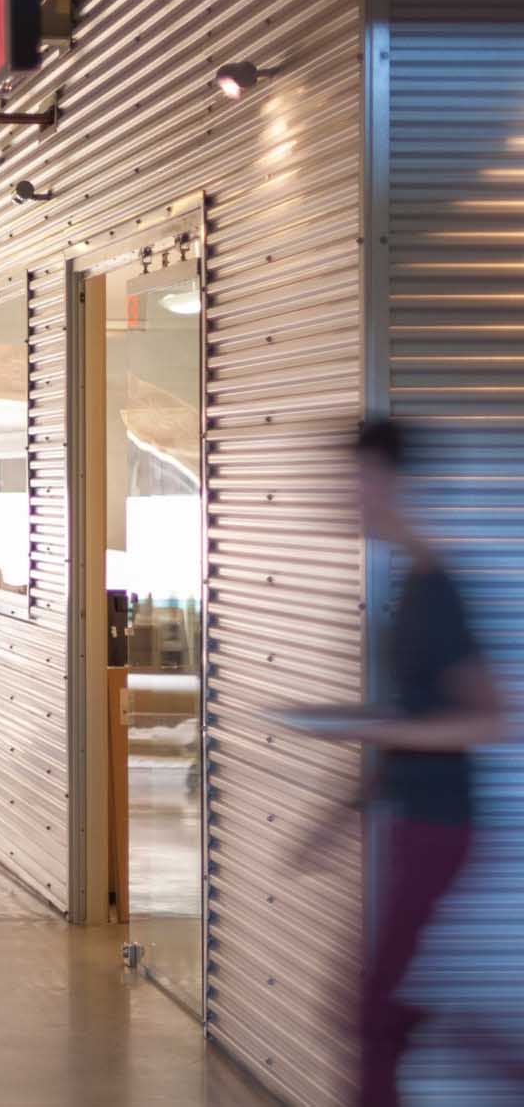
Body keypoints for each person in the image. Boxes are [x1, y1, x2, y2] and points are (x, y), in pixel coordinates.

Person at [295, 419, 510, 1107]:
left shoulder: (437, 590)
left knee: (364, 1013)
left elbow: (495, 717)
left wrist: (377, 726)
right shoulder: (410, 590)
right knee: (366, 1009)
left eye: (360, 480)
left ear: (397, 485)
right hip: (416, 822)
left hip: (440, 828)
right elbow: (406, 722)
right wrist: (343, 811)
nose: (348, 495)